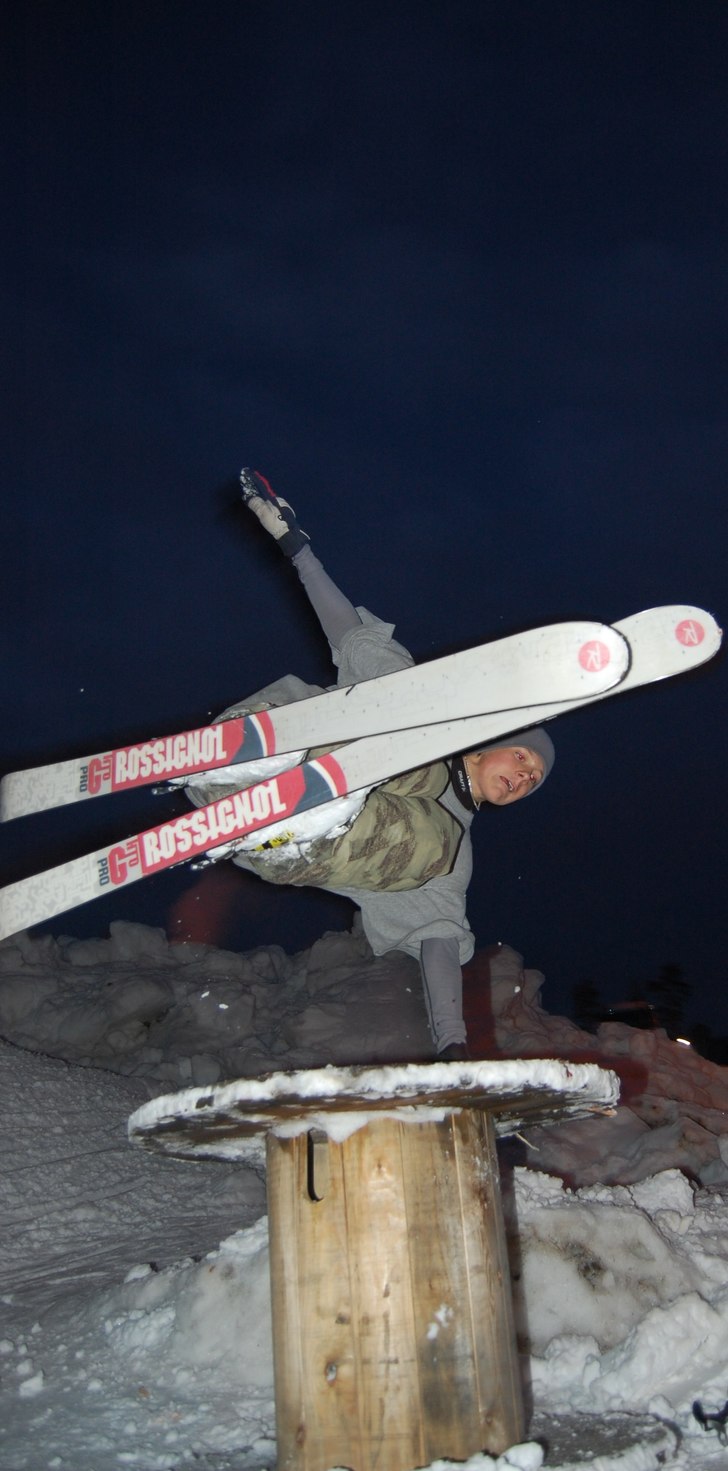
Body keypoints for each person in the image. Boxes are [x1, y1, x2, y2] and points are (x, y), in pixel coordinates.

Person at [189, 469, 555, 1060]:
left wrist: (453, 1043)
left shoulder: (453, 850)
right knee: (408, 712)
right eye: (522, 756)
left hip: (283, 845)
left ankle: (311, 809)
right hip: (259, 747)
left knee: (441, 843)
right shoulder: (421, 713)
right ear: (488, 742)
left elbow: (438, 943)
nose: (522, 777)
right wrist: (296, 547)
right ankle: (282, 764)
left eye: (531, 781)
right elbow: (351, 635)